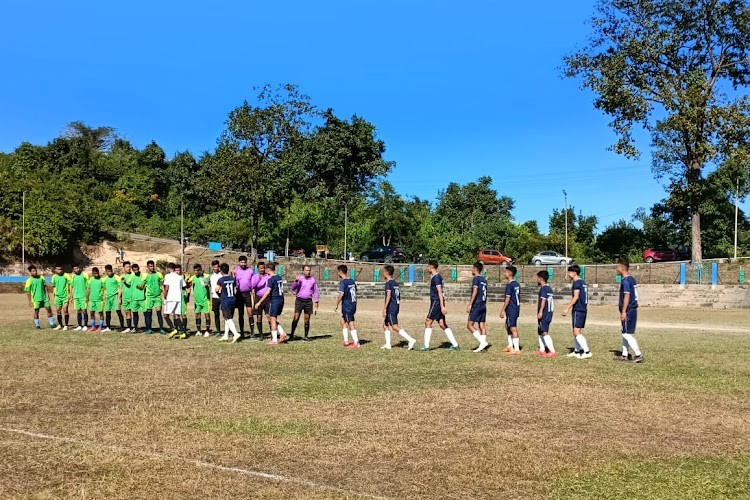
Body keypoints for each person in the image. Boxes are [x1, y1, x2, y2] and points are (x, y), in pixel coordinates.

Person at [418, 261, 459, 351]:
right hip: (438, 302)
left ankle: (426, 346)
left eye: (427, 267)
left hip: (436, 302)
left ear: (431, 267)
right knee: (442, 323)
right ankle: (455, 345)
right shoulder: (437, 277)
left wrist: (442, 306)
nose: (427, 268)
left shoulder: (436, 277)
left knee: (428, 322)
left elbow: (440, 292)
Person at [380, 265, 416, 350]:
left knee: (394, 326)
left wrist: (385, 308)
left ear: (386, 273)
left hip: (391, 307)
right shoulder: (395, 283)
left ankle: (411, 339)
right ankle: (388, 344)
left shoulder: (389, 283)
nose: (382, 273)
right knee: (385, 325)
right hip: (396, 306)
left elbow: (388, 295)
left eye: (383, 272)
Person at [562, 264, 592, 359]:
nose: (568, 274)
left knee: (576, 331)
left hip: (578, 309)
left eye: (569, 272)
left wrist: (567, 308)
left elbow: (576, 297)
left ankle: (587, 352)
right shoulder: (583, 282)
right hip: (583, 309)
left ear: (574, 273)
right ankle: (576, 351)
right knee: (577, 330)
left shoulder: (577, 283)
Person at [616, 259, 643, 363]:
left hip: (629, 310)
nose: (617, 268)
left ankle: (638, 354)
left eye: (618, 267)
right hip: (631, 309)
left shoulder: (626, 280)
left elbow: (627, 295)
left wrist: (623, 311)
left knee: (627, 334)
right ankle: (624, 354)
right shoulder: (631, 279)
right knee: (624, 332)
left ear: (622, 268)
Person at [255, 262, 287, 345]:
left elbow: (267, 292)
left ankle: (275, 340)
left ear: (268, 269)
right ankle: (282, 333)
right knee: (274, 318)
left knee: (272, 319)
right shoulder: (278, 277)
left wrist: (259, 301)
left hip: (275, 300)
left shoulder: (271, 279)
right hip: (281, 299)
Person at [290, 265, 319, 342]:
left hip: (308, 301)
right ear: (303, 271)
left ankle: (306, 336)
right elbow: (292, 288)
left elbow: (315, 291)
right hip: (299, 300)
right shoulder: (300, 279)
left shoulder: (313, 280)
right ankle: (291, 335)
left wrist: (316, 301)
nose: (308, 272)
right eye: (306, 270)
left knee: (307, 319)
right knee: (296, 318)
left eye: (309, 270)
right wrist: (296, 281)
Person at [334, 264, 360, 348]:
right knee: (343, 321)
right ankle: (346, 341)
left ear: (340, 272)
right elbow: (355, 291)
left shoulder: (343, 282)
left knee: (350, 322)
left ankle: (356, 343)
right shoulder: (352, 281)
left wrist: (336, 304)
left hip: (347, 305)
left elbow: (341, 294)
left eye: (338, 272)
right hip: (353, 304)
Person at [24, 265, 56, 330]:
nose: (35, 272)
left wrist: (47, 295)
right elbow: (28, 292)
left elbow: (45, 286)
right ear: (30, 272)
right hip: (36, 299)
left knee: (49, 309)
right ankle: (37, 325)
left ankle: (52, 324)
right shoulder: (29, 280)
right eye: (33, 271)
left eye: (35, 270)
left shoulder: (41, 277)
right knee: (36, 312)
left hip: (44, 298)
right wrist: (30, 301)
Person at [466, 262, 489, 353]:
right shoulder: (484, 280)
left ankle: (482, 342)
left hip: (477, 304)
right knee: (482, 325)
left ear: (475, 269)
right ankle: (482, 347)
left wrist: (470, 304)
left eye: (472, 268)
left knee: (469, 325)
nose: (472, 270)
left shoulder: (476, 279)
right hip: (483, 305)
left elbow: (475, 291)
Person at [216, 263, 241, 343]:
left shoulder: (221, 280)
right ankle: (226, 335)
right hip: (232, 299)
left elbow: (217, 289)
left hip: (225, 300)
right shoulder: (232, 279)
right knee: (227, 318)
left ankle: (235, 333)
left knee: (228, 318)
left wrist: (220, 296)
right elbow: (235, 288)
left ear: (221, 271)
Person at [499, 266, 521, 355]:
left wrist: (502, 310)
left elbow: (508, 298)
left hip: (511, 308)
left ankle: (516, 349)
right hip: (515, 308)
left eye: (506, 272)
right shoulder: (516, 284)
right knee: (507, 326)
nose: (504, 274)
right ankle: (510, 346)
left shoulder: (510, 285)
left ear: (509, 274)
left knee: (513, 328)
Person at [233, 255, 255, 339]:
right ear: (239, 262)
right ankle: (241, 332)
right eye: (241, 262)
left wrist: (253, 290)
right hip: (239, 294)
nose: (243, 264)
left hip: (248, 294)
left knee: (250, 313)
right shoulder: (236, 270)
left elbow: (254, 281)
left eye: (244, 262)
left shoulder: (250, 271)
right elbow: (233, 282)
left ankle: (252, 332)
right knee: (240, 314)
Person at [536, 270, 557, 357]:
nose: (536, 280)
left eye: (537, 278)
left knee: (544, 331)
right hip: (549, 312)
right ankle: (542, 350)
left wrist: (540, 312)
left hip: (544, 313)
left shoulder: (544, 289)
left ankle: (552, 351)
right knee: (540, 331)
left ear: (541, 279)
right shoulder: (549, 288)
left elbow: (543, 300)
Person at [162, 262, 186, 339]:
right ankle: (182, 333)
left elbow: (166, 288)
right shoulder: (180, 277)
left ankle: (173, 328)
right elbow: (184, 286)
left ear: (168, 268)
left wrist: (165, 296)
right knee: (177, 316)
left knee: (165, 315)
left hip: (170, 298)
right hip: (178, 299)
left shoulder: (167, 276)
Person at [189, 264, 212, 337]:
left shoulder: (206, 276)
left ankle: (207, 331)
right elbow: (187, 284)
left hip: (205, 300)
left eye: (197, 270)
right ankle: (198, 330)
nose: (195, 272)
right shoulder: (193, 278)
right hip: (197, 301)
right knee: (197, 315)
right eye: (194, 270)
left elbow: (210, 283)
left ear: (200, 270)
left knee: (207, 315)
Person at [144, 260, 165, 334]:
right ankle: (149, 329)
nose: (152, 267)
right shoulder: (145, 275)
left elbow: (162, 284)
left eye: (153, 266)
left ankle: (161, 329)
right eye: (150, 266)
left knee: (159, 313)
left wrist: (163, 294)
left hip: (157, 296)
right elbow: (142, 286)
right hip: (149, 296)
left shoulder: (159, 274)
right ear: (147, 267)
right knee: (149, 313)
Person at [251, 262, 271, 340]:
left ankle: (273, 333)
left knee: (269, 316)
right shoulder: (255, 276)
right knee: (259, 317)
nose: (262, 269)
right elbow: (252, 286)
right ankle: (261, 334)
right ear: (258, 268)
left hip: (267, 298)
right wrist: (258, 280)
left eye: (263, 268)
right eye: (260, 268)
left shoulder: (268, 276)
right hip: (258, 298)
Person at [102, 264, 123, 332]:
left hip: (115, 296)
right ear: (105, 271)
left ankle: (122, 327)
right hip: (108, 297)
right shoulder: (105, 279)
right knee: (107, 312)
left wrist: (119, 297)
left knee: (118, 312)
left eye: (110, 271)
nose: (109, 272)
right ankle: (108, 327)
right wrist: (104, 297)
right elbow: (104, 289)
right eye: (107, 271)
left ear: (112, 270)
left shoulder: (116, 277)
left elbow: (120, 288)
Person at [69, 265, 89, 331]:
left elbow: (88, 286)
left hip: (83, 296)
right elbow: (71, 287)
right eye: (75, 269)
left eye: (77, 268)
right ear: (73, 270)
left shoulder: (84, 275)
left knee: (84, 311)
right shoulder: (73, 276)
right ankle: (79, 325)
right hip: (76, 296)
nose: (77, 270)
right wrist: (71, 296)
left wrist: (87, 296)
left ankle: (85, 325)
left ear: (79, 268)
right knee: (78, 311)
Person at [51, 265, 71, 330]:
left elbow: (70, 285)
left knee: (65, 310)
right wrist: (53, 295)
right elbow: (54, 287)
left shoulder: (66, 275)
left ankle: (66, 325)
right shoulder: (54, 277)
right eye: (58, 269)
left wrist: (70, 294)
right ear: (55, 270)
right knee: (58, 311)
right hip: (57, 297)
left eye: (61, 269)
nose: (60, 271)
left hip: (65, 296)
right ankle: (60, 325)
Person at [128, 263, 147, 333]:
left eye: (137, 269)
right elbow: (128, 284)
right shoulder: (131, 277)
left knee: (145, 314)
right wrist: (124, 282)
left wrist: (142, 286)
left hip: (142, 298)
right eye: (134, 270)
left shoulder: (143, 276)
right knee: (135, 314)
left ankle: (147, 327)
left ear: (139, 269)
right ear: (133, 270)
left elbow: (145, 284)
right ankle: (135, 328)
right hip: (134, 298)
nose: (136, 271)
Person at [87, 267, 105, 332]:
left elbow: (105, 289)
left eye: (97, 273)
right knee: (92, 313)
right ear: (92, 273)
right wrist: (87, 297)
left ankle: (100, 327)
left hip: (99, 300)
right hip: (92, 299)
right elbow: (88, 289)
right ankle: (93, 326)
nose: (96, 274)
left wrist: (104, 297)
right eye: (95, 273)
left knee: (100, 313)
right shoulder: (91, 280)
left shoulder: (102, 280)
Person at [120, 261, 135, 332]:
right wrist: (119, 298)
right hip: (125, 297)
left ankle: (135, 327)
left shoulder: (133, 275)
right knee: (127, 312)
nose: (129, 268)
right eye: (127, 267)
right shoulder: (122, 277)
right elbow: (120, 288)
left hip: (132, 297)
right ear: (124, 268)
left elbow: (129, 284)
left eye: (130, 267)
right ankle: (129, 327)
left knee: (134, 312)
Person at [209, 260, 223, 336]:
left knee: (225, 314)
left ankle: (227, 330)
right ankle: (218, 331)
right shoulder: (211, 276)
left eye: (217, 267)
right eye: (214, 267)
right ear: (212, 267)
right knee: (216, 314)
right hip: (214, 297)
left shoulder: (222, 275)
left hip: (222, 297)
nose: (216, 268)